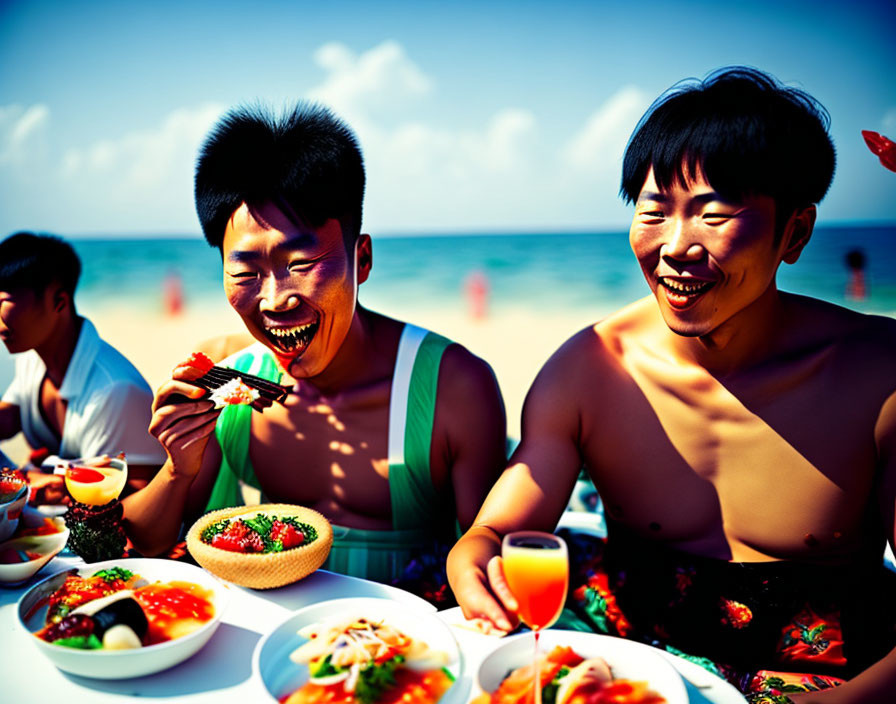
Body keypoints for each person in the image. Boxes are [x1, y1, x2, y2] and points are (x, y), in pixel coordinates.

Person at [448, 67, 896, 702]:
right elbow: (495, 534)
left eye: (713, 215)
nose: (675, 246)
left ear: (794, 231)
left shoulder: (880, 378)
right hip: (629, 656)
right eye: (654, 210)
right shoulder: (590, 368)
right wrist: (473, 562)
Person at [123, 104, 506, 602]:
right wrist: (179, 469)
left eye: (301, 263)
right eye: (244, 273)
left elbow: (487, 556)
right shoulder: (224, 379)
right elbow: (143, 542)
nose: (275, 300)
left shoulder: (455, 389)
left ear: (361, 259)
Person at [0, 232, 165, 496]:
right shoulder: (32, 358)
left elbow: (133, 495)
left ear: (59, 302)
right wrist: (28, 479)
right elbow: (9, 419)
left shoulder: (115, 390)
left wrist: (32, 481)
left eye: (4, 301)